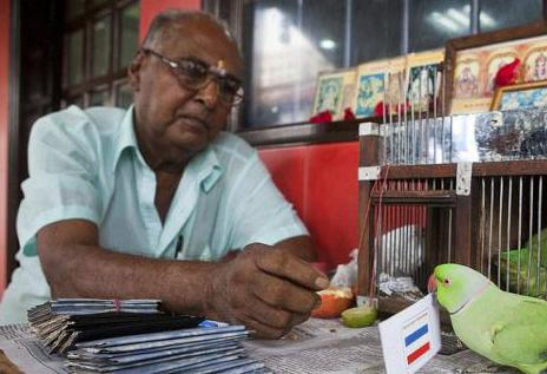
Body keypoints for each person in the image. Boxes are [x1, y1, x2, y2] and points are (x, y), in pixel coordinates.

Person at [0, 10, 329, 339]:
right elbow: (68, 270)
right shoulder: (68, 135)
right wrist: (212, 286)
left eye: (227, 87)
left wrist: (259, 282)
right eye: (191, 71)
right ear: (138, 70)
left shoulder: (235, 159)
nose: (210, 97)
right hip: (37, 346)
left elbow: (295, 254)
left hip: (155, 351)